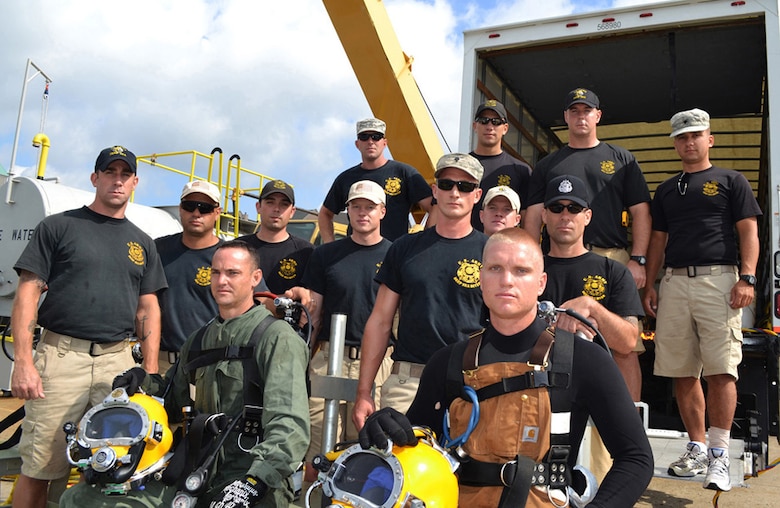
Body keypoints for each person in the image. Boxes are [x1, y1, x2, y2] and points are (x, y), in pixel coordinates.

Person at [359, 228, 654, 507]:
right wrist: (388, 431)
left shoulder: (583, 360)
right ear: (481, 278)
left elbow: (636, 459)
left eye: (521, 270)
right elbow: (415, 451)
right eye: (495, 268)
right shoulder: (448, 362)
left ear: (541, 283)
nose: (507, 280)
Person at [60, 240, 311, 507]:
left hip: (250, 473)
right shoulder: (199, 339)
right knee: (79, 498)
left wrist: (253, 483)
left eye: (233, 273)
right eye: (216, 272)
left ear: (255, 278)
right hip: (196, 469)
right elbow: (171, 399)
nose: (222, 280)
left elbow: (290, 425)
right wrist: (143, 383)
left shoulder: (277, 339)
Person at [10, 145, 167, 508]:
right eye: (109, 173)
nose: (117, 180)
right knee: (41, 466)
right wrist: (23, 361)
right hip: (61, 359)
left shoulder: (143, 243)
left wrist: (151, 371)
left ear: (135, 182)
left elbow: (148, 309)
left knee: (119, 466)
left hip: (118, 363)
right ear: (95, 178)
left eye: (124, 174)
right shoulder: (58, 227)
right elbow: (27, 295)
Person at [643, 108, 761, 492]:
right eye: (681, 137)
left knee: (721, 369)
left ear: (709, 138)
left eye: (696, 135)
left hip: (720, 280)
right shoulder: (666, 189)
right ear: (675, 143)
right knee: (681, 370)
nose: (688, 142)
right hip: (675, 282)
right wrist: (652, 283)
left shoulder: (731, 180)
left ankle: (719, 455)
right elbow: (657, 240)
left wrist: (747, 277)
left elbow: (749, 231)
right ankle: (695, 447)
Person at [352, 153, 487, 428]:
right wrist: (364, 391)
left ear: (477, 195)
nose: (455, 192)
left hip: (473, 384)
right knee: (402, 469)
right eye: (447, 184)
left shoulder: (493, 251)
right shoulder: (403, 248)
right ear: (435, 191)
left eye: (465, 186)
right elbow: (380, 321)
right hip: (408, 383)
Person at [540, 174, 645, 483]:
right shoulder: (528, 269)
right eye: (556, 207)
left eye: (574, 208)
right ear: (544, 215)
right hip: (538, 398)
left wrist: (592, 307)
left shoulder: (613, 271)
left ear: (587, 216)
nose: (564, 216)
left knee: (598, 487)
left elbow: (628, 341)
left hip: (596, 400)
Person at [301, 180, 394, 477]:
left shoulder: (397, 256)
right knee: (317, 451)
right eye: (356, 206)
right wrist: (303, 362)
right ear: (348, 211)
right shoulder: (326, 255)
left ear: (382, 211)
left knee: (367, 454)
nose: (362, 213)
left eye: (369, 207)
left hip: (378, 363)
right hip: (328, 359)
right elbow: (313, 315)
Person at [523, 88, 652, 289]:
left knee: (618, 320)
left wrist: (638, 259)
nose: (581, 116)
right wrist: (533, 258)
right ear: (566, 116)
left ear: (598, 115)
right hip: (559, 258)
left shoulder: (622, 159)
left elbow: (641, 211)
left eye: (587, 110)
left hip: (612, 257)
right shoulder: (547, 165)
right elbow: (533, 216)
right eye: (574, 111)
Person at [319, 118, 433, 242]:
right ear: (357, 144)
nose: (370, 141)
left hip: (394, 255)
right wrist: (329, 246)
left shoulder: (405, 173)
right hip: (354, 255)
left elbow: (434, 207)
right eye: (364, 137)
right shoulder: (346, 178)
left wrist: (424, 243)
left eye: (376, 136)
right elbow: (325, 214)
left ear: (384, 142)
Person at [154, 180, 223, 373]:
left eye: (205, 208)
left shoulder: (230, 255)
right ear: (180, 209)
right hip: (161, 364)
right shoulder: (157, 250)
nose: (196, 213)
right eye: (190, 205)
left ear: (217, 212)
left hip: (210, 366)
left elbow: (258, 300)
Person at [237, 179, 313, 295]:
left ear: (292, 212)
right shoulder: (238, 248)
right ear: (258, 207)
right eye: (270, 202)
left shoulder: (306, 252)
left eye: (284, 204)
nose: (276, 209)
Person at [468, 100, 532, 231]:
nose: (490, 126)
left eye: (496, 122)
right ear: (475, 126)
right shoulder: (461, 168)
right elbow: (440, 209)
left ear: (505, 128)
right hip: (465, 247)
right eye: (484, 120)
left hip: (505, 246)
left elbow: (527, 218)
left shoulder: (521, 170)